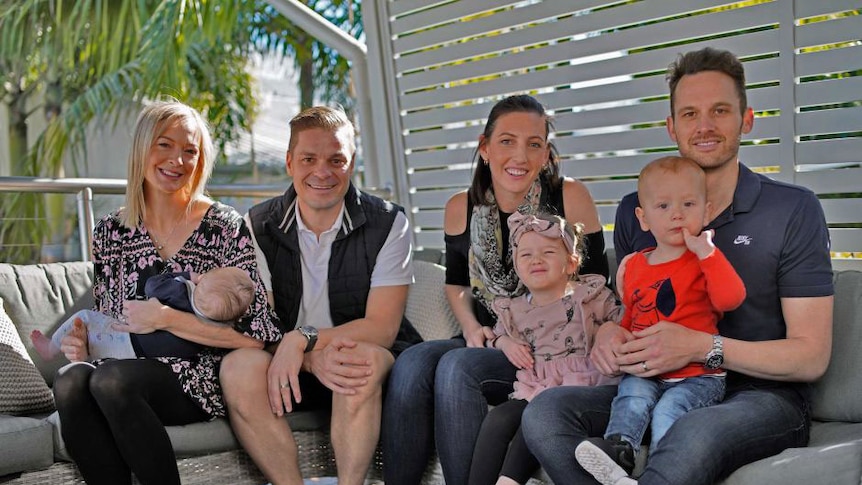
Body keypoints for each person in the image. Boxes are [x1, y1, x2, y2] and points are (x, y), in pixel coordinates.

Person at [522, 47, 833, 485]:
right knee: (545, 413)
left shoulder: (793, 209)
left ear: (746, 120)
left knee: (693, 431)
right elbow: (624, 308)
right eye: (689, 114)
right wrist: (610, 333)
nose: (703, 126)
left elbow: (811, 357)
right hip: (658, 380)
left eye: (720, 111)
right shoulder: (640, 209)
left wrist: (701, 346)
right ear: (672, 128)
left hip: (763, 395)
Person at [383, 94, 611, 485]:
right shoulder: (460, 208)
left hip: (550, 345)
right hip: (490, 335)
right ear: (484, 147)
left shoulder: (570, 197)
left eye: (533, 144)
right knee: (411, 364)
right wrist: (471, 328)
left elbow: (597, 283)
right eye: (507, 141)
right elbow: (456, 282)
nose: (519, 156)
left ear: (545, 154)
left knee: (457, 369)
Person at [51, 100, 281, 485]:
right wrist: (83, 345)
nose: (177, 160)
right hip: (123, 366)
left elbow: (258, 337)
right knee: (70, 380)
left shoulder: (223, 225)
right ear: (142, 148)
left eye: (190, 150)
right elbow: (111, 320)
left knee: (111, 381)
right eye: (165, 145)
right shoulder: (110, 232)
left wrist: (168, 319)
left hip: (198, 375)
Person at [219, 105, 422, 485]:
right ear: (289, 163)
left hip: (362, 356)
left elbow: (381, 329)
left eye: (336, 160)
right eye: (309, 159)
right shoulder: (258, 225)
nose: (322, 172)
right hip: (289, 364)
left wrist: (304, 339)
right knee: (237, 367)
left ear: (352, 162)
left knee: (353, 361)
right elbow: (258, 324)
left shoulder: (388, 222)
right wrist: (307, 358)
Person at [574, 156, 746, 485]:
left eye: (688, 204)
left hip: (699, 375)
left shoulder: (704, 260)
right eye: (663, 206)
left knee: (669, 410)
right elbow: (633, 318)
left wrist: (708, 254)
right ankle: (618, 453)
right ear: (643, 217)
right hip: (648, 370)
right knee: (631, 397)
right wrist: (619, 344)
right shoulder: (634, 266)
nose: (677, 214)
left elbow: (730, 299)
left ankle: (661, 471)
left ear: (707, 212)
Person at [469, 211, 621, 485]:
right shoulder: (513, 309)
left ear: (572, 263)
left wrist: (609, 330)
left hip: (584, 386)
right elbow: (495, 336)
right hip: (538, 384)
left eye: (548, 252)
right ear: (516, 265)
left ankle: (508, 481)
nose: (536, 260)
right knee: (501, 418)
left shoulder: (590, 296)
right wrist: (504, 343)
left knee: (536, 415)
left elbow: (623, 322)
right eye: (526, 255)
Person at [31, 266, 254, 361]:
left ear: (203, 278)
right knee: (91, 345)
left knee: (86, 317)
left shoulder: (180, 291)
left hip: (123, 338)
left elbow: (152, 286)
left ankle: (51, 349)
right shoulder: (215, 327)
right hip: (138, 357)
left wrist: (185, 275)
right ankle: (81, 354)